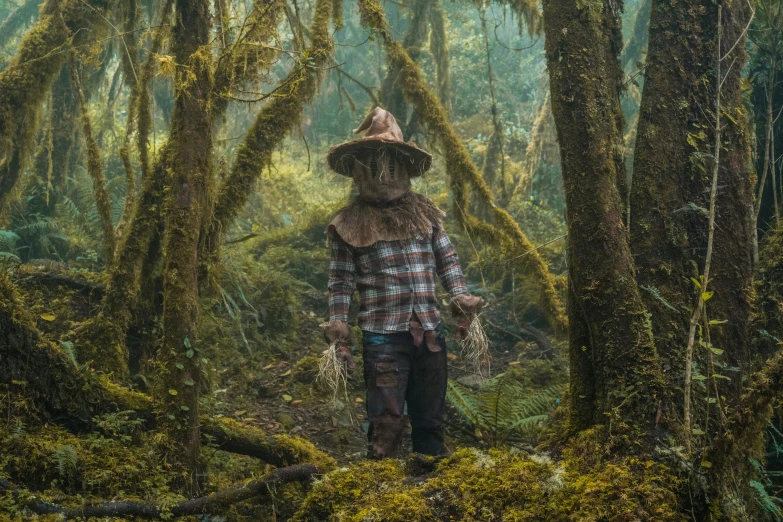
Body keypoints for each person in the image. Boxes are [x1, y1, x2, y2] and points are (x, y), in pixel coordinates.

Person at [322, 107, 482, 459]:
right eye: (373, 165)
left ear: (404, 167)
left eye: (391, 164)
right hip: (383, 337)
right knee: (386, 419)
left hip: (429, 331)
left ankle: (429, 479)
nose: (383, 174)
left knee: (430, 416)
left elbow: (447, 259)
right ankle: (383, 485)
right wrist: (339, 324)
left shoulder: (425, 214)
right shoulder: (348, 223)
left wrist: (460, 297)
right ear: (358, 170)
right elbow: (340, 280)